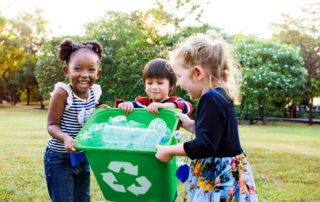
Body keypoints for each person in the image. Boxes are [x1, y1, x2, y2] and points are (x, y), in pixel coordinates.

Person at [155, 35, 258, 201]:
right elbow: (214, 135)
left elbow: (205, 145)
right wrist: (190, 124)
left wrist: (169, 150)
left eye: (180, 76)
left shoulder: (210, 98)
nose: (179, 83)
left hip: (219, 177)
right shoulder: (220, 94)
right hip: (228, 171)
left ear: (197, 73)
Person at [44, 38, 103, 201]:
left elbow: (89, 118)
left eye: (91, 70)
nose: (84, 75)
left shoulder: (94, 92)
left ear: (98, 73)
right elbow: (51, 125)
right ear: (66, 71)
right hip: (59, 158)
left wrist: (101, 112)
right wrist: (64, 137)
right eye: (77, 69)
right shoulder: (62, 93)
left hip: (82, 156)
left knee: (83, 199)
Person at [115, 58, 193, 115]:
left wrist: (163, 106)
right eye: (149, 83)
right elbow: (130, 105)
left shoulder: (175, 101)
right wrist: (126, 105)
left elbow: (188, 107)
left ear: (171, 85)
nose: (154, 87)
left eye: (160, 83)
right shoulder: (143, 103)